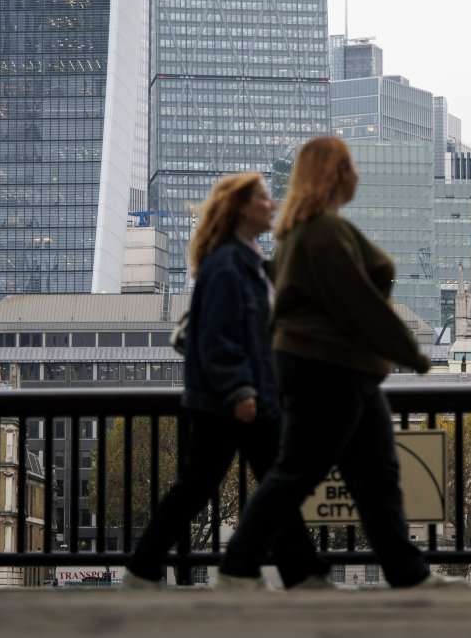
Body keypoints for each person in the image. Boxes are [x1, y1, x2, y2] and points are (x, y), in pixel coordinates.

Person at [216, 137, 451, 590]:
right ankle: (237, 565)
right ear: (336, 174)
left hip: (344, 369)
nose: (358, 174)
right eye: (351, 166)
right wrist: (413, 354)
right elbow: (360, 303)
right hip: (327, 369)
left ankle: (408, 573)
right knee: (299, 470)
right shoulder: (320, 232)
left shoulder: (312, 230)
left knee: (376, 475)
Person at [124, 174, 330, 590]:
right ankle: (148, 570)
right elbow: (219, 337)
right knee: (216, 485)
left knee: (265, 482)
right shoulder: (226, 264)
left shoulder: (250, 261)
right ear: (241, 208)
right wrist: (240, 390)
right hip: (230, 399)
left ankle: (298, 573)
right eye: (264, 199)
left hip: (249, 396)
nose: (272, 205)